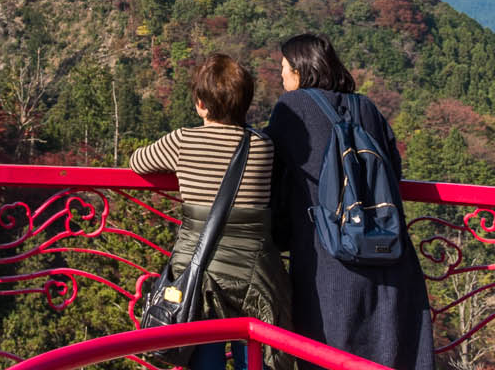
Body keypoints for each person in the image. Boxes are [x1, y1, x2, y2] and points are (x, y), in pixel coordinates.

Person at [265, 34, 434, 370]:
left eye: (283, 69)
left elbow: (268, 172)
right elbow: (392, 172)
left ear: (300, 70)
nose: (281, 77)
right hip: (389, 255)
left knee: (327, 355)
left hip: (330, 258)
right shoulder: (366, 107)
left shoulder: (292, 108)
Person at [130, 54, 292, 370]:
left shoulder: (183, 140)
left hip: (197, 273)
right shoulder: (264, 147)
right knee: (255, 356)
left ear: (201, 104)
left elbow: (138, 162)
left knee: (203, 355)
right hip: (254, 277)